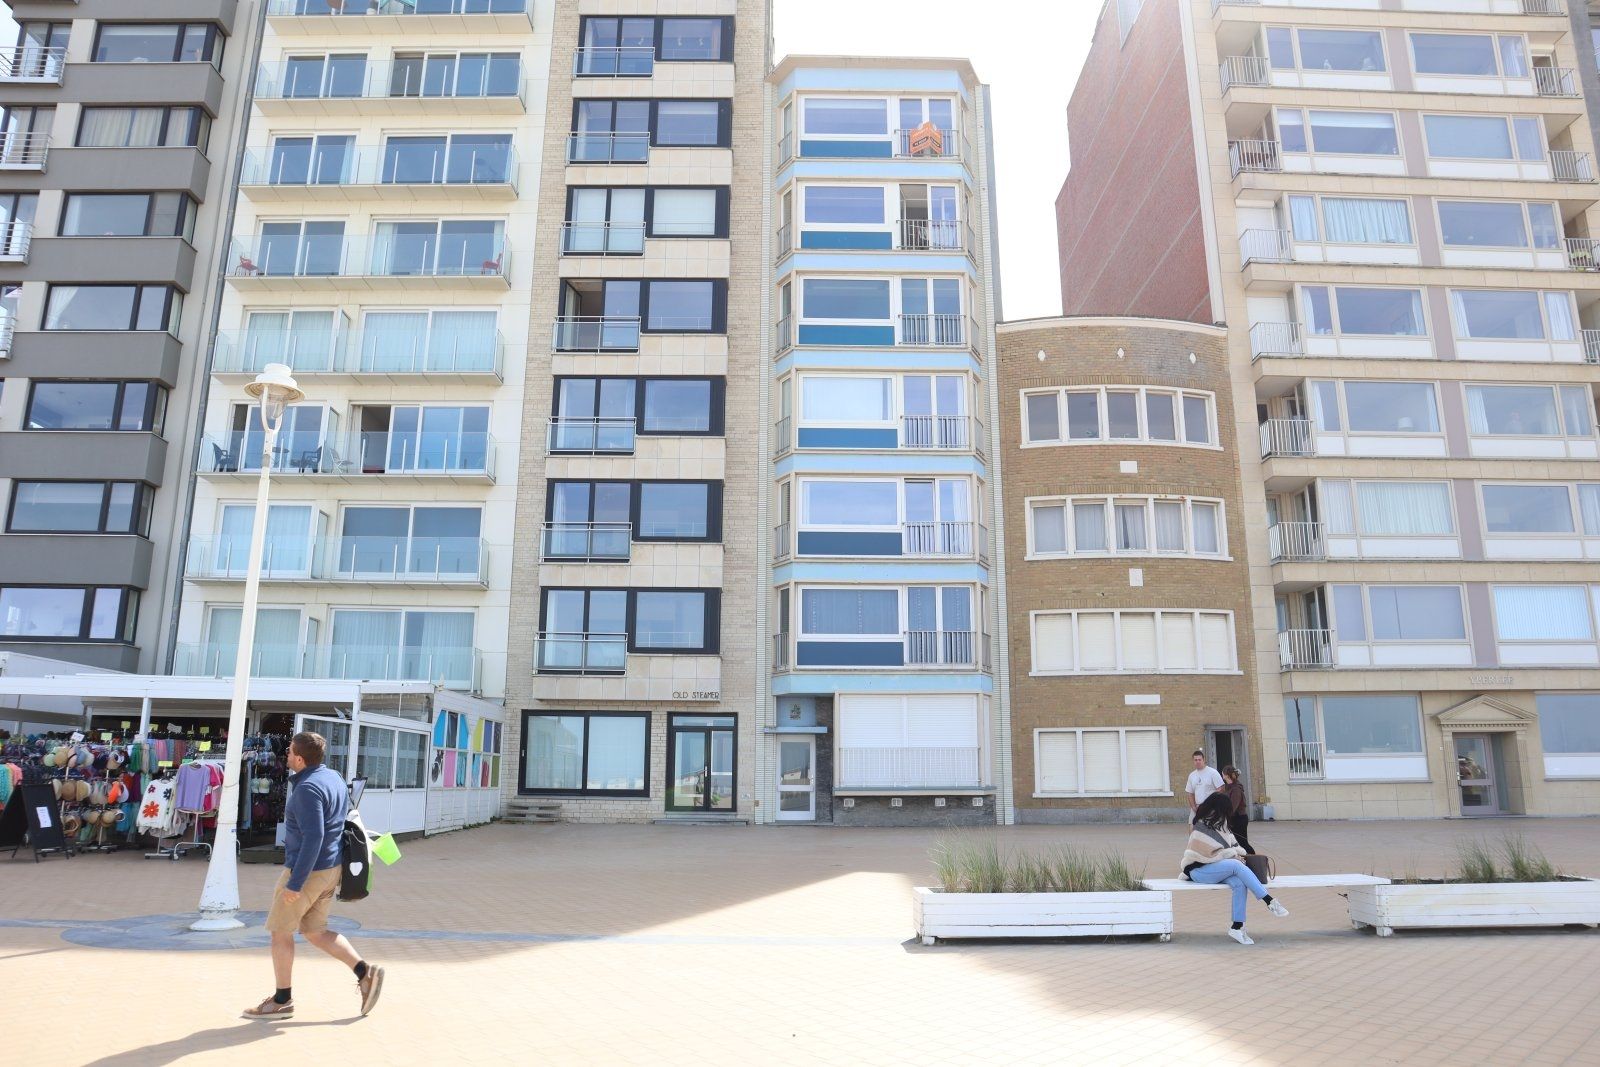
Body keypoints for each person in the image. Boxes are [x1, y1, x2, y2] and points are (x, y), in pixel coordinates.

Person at [244, 731, 384, 1019]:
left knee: (280, 932)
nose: (286, 756)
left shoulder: (307, 789)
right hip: (331, 869)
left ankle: (282, 1000)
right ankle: (364, 973)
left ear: (299, 757)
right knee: (314, 931)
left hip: (307, 872)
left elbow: (314, 836)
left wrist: (295, 883)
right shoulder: (332, 777)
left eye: (289, 752)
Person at [1183, 793, 1288, 945]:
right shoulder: (1201, 825)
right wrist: (1231, 855)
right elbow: (1203, 854)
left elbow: (1236, 848)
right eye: (1226, 809)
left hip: (1216, 869)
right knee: (1236, 865)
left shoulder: (1223, 825)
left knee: (1239, 883)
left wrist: (1235, 853)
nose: (1228, 813)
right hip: (1199, 871)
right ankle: (1269, 901)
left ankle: (1237, 927)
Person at [1221, 765, 1255, 856]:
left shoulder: (1236, 788)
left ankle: (1255, 860)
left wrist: (1223, 815)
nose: (1222, 775)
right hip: (1232, 819)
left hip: (1239, 819)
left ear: (1226, 775)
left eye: (1222, 773)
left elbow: (1232, 807)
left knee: (1242, 843)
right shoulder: (1228, 787)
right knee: (1234, 844)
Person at [1184, 749, 1224, 823]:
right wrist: (1193, 807)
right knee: (1193, 827)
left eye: (1199, 759)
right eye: (1195, 760)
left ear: (1204, 760)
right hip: (1197, 808)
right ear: (1193, 761)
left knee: (1210, 830)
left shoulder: (1213, 772)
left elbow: (1221, 789)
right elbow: (1190, 793)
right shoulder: (1192, 775)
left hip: (1211, 808)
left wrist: (1211, 804)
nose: (1198, 761)